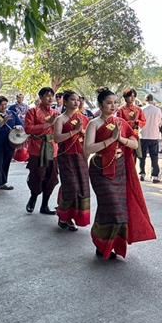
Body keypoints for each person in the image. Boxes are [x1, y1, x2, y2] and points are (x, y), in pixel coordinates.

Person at [84, 87, 156, 260]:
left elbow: (133, 144)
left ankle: (111, 244)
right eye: (109, 103)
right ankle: (101, 241)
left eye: (115, 103)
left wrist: (121, 139)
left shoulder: (121, 123)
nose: (113, 106)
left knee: (119, 210)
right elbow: (87, 148)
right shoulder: (93, 123)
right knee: (111, 206)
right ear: (100, 105)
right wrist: (110, 139)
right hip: (100, 168)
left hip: (120, 168)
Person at [53, 90, 90, 231]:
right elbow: (57, 138)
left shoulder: (83, 118)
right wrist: (74, 131)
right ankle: (63, 216)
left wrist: (83, 132)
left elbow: (88, 138)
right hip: (66, 156)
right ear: (66, 102)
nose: (76, 102)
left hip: (80, 156)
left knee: (82, 188)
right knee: (71, 187)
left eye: (78, 100)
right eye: (73, 100)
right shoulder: (60, 119)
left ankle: (70, 217)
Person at [24, 87, 60, 214]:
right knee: (37, 176)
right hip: (37, 148)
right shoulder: (32, 111)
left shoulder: (56, 113)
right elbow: (28, 129)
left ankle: (44, 205)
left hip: (52, 147)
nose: (50, 98)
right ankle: (33, 197)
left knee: (51, 177)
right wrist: (47, 124)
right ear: (40, 97)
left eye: (52, 96)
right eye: (47, 96)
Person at [117, 88, 146, 164]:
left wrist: (136, 121)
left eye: (134, 96)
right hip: (124, 137)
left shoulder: (138, 109)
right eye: (130, 96)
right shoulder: (121, 110)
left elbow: (143, 121)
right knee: (124, 158)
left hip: (135, 135)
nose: (132, 98)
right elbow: (119, 123)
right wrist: (131, 122)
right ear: (125, 97)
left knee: (134, 158)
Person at [139, 94, 162, 183]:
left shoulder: (142, 109)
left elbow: (139, 122)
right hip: (154, 136)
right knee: (154, 157)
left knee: (142, 156)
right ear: (152, 100)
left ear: (145, 100)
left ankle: (142, 174)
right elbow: (160, 123)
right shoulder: (158, 110)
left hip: (143, 135)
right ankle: (154, 176)